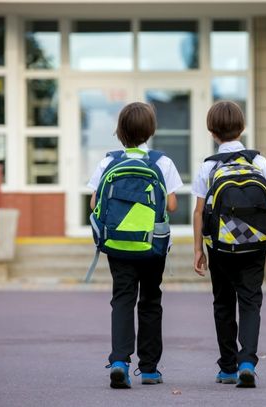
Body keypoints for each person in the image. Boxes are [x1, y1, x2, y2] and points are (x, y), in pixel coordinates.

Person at [191, 100, 266, 388]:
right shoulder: (258, 161)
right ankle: (248, 361)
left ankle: (227, 368)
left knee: (223, 302)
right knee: (250, 301)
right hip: (256, 244)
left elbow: (199, 212)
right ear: (243, 128)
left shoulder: (208, 167)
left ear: (211, 132)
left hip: (220, 245)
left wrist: (198, 249)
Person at [88, 102, 183, 389]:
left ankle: (119, 361)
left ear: (119, 132)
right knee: (151, 300)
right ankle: (150, 369)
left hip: (117, 243)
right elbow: (172, 204)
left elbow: (94, 203)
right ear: (151, 131)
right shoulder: (162, 162)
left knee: (122, 298)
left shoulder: (108, 162)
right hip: (152, 245)